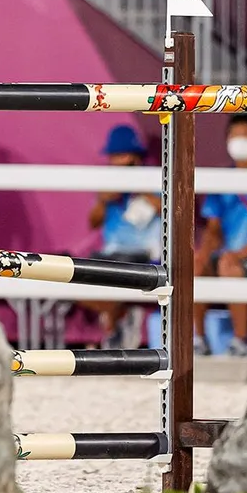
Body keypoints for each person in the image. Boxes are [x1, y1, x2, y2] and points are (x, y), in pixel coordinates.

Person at [83, 124, 160, 348]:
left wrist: (139, 187)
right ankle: (120, 318)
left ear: (135, 157)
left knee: (117, 279)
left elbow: (169, 210)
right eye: (113, 156)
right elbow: (92, 222)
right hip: (109, 253)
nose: (115, 161)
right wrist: (103, 201)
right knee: (77, 279)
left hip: (143, 255)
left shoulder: (152, 179)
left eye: (120, 155)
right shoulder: (109, 184)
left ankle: (114, 327)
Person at [194, 114, 247, 357]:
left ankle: (240, 341)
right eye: (235, 134)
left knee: (229, 266)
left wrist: (240, 254)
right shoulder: (222, 181)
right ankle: (198, 340)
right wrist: (202, 254)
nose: (240, 140)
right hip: (226, 256)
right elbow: (213, 228)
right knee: (194, 265)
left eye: (246, 134)